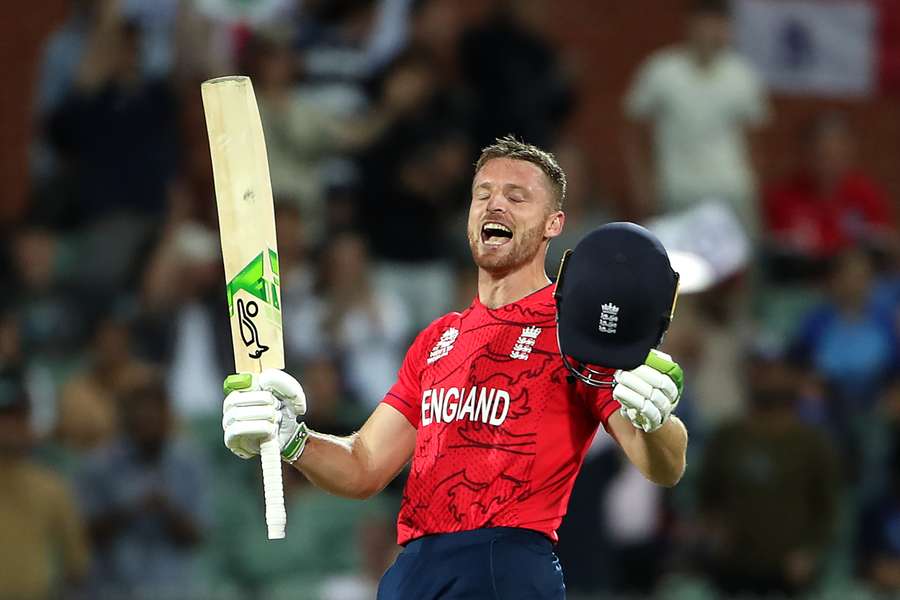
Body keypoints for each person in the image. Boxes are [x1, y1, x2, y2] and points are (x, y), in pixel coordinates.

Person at [221, 137, 688, 598]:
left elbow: (663, 465)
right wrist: (292, 437)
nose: (494, 205)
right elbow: (363, 467)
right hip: (414, 569)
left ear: (554, 223)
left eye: (516, 196)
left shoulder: (574, 328)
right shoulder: (437, 339)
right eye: (482, 194)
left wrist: (658, 421)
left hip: (504, 564)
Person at [697, 348, 840, 597]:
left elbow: (826, 505)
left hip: (789, 568)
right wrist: (713, 533)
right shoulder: (728, 435)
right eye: (763, 370)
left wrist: (810, 552)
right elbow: (707, 494)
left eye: (777, 370)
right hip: (733, 566)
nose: (770, 378)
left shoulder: (811, 441)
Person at [623, 0, 767, 231]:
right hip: (677, 191)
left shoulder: (743, 74)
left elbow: (755, 140)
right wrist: (642, 186)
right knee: (675, 264)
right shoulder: (661, 70)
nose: (712, 32)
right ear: (690, 26)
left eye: (719, 25)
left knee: (741, 264)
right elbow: (634, 134)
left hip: (732, 190)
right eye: (705, 24)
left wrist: (754, 184)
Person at [0, 368, 90, 600]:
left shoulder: (51, 487)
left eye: (16, 418)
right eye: (3, 418)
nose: (8, 428)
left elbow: (76, 565)